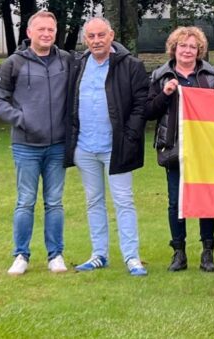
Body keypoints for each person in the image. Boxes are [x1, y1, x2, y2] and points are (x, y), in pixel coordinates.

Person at [0, 10, 72, 276]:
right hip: (26, 146)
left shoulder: (66, 60)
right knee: (25, 201)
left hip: (58, 145)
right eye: (41, 30)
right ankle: (21, 255)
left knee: (55, 202)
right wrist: (21, 119)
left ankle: (56, 255)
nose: (46, 34)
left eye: (51, 30)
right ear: (29, 33)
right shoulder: (14, 63)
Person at [65, 17, 150, 276]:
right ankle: (99, 254)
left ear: (111, 35)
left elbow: (141, 103)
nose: (96, 41)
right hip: (85, 147)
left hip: (117, 147)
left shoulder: (131, 65)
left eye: (101, 35)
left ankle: (131, 257)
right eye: (90, 36)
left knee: (124, 201)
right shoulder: (77, 65)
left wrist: (130, 135)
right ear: (84, 39)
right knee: (94, 202)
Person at [144, 26, 214, 273]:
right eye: (183, 46)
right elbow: (149, 112)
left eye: (192, 46)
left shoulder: (210, 76)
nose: (187, 50)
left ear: (199, 50)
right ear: (174, 49)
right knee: (176, 201)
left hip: (203, 147)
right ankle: (179, 252)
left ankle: (207, 252)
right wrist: (165, 94)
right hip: (173, 146)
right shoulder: (160, 76)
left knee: (205, 200)